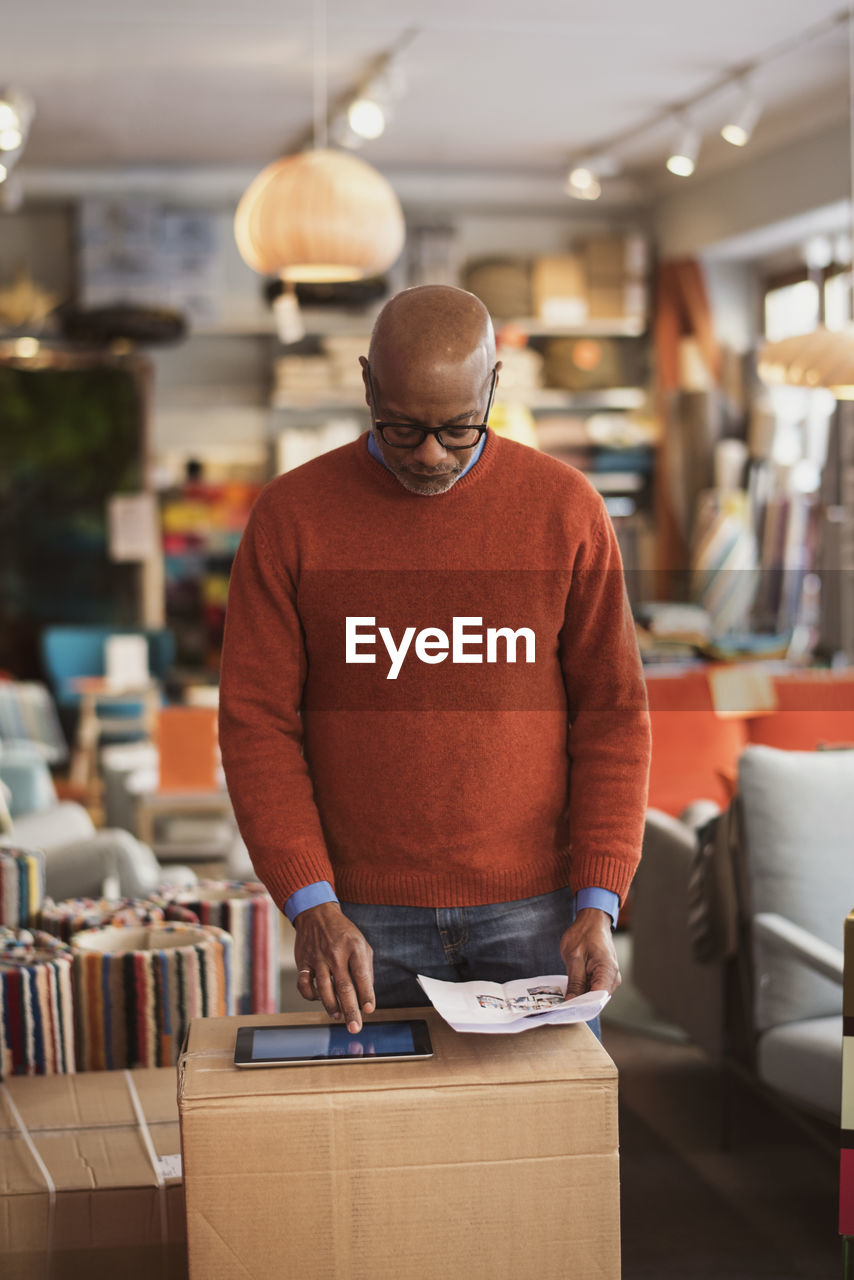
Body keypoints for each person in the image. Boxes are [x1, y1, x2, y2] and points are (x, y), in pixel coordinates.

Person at [218, 284, 651, 1037]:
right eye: (401, 428)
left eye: (457, 428)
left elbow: (612, 716)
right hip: (359, 916)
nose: (429, 454)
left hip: (538, 910)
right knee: (381, 1148)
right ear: (366, 383)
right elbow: (256, 724)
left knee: (548, 1144)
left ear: (493, 386)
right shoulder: (291, 519)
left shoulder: (566, 511)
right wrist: (309, 900)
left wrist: (598, 902)